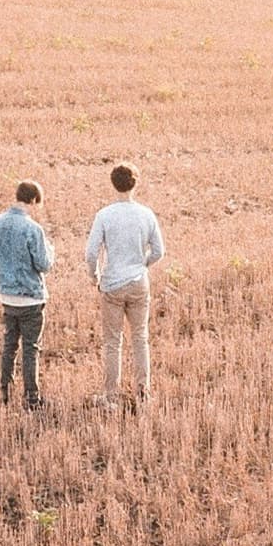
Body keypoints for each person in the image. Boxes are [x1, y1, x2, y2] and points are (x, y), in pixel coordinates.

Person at [85, 162, 165, 408]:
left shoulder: (105, 215)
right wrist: (142, 264)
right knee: (141, 337)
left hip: (112, 285)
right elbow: (159, 251)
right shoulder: (146, 214)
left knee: (113, 342)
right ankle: (144, 392)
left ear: (113, 184)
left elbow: (91, 252)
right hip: (139, 282)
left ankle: (111, 396)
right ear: (135, 183)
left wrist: (95, 275)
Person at [0, 180, 54, 408]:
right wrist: (51, 251)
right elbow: (44, 264)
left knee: (9, 344)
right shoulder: (33, 229)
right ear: (33, 200)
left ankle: (4, 390)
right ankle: (31, 397)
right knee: (30, 348)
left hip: (6, 294)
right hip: (30, 296)